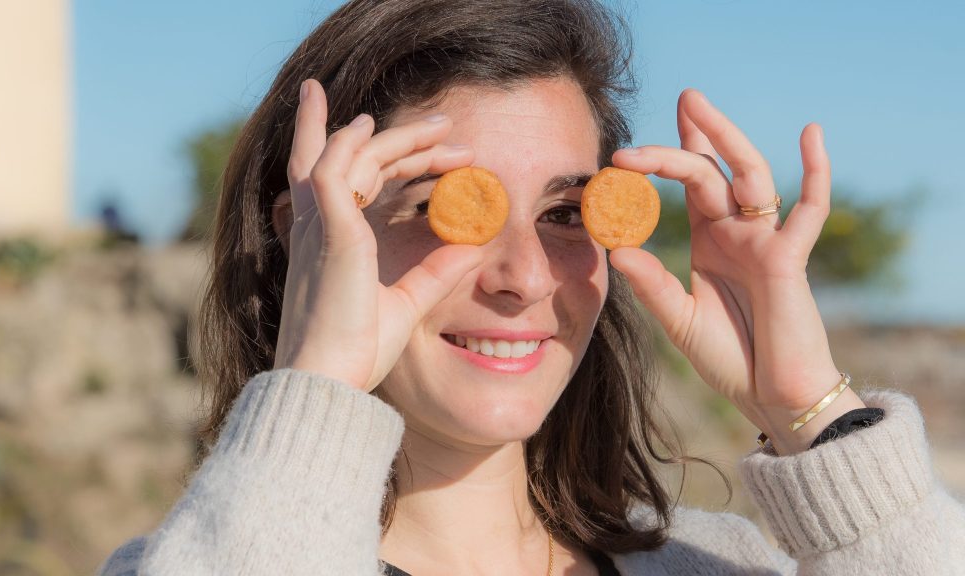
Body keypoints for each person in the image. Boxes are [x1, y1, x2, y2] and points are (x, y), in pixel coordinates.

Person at [98, 0, 965, 574]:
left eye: (565, 213)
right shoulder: (200, 557)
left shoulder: (717, 563)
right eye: (446, 208)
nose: (522, 279)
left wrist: (811, 410)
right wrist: (315, 386)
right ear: (310, 234)